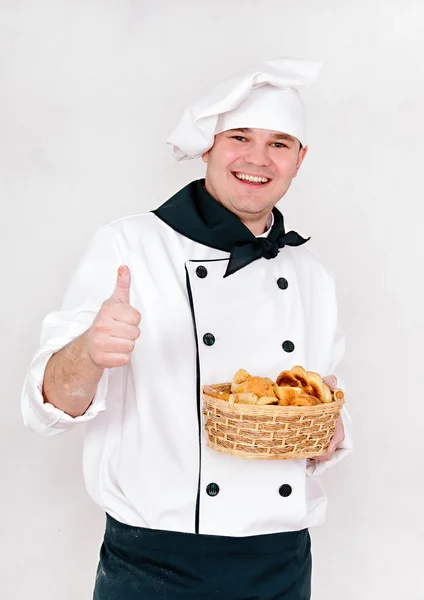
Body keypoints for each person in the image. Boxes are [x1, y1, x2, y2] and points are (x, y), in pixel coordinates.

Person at [21, 58, 353, 599]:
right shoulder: (129, 247)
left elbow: (319, 417)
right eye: (239, 137)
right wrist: (89, 351)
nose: (257, 158)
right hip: (155, 565)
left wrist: (328, 433)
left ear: (300, 159)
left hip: (282, 560)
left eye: (279, 143)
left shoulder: (311, 275)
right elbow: (46, 408)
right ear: (208, 146)